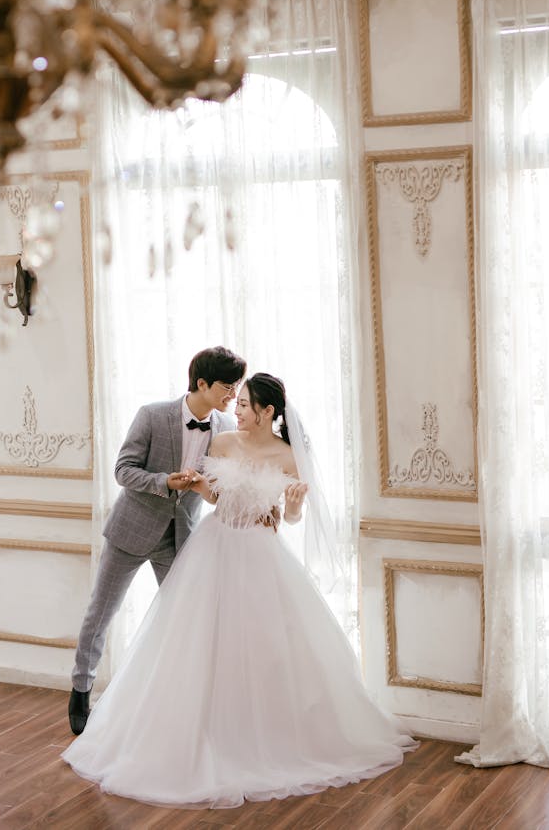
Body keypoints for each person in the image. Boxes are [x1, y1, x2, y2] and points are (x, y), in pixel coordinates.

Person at [62, 372, 417, 808]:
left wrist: (294, 503)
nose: (237, 409)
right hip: (213, 546)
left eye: (246, 404)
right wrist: (192, 483)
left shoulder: (289, 456)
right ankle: (189, 730)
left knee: (265, 647)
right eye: (238, 400)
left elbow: (289, 519)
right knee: (196, 642)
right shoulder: (225, 442)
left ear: (268, 412)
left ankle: (262, 736)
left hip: (261, 554)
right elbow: (214, 496)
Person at [68, 345, 247, 736]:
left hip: (182, 537)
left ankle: (179, 701)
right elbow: (122, 470)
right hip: (131, 529)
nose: (233, 394)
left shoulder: (227, 429)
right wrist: (163, 481)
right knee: (101, 612)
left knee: (184, 620)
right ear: (202, 383)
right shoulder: (152, 415)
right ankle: (80, 691)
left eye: (236, 387)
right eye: (227, 386)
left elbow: (219, 487)